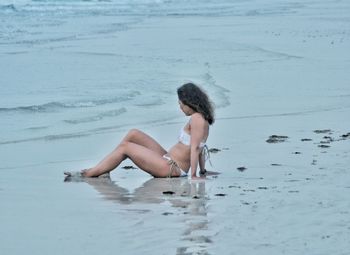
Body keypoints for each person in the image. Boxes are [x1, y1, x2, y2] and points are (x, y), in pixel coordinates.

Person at [64, 82, 215, 179]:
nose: (180, 108)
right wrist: (202, 171)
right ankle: (104, 169)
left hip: (171, 168)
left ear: (190, 102)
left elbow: (195, 148)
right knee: (133, 134)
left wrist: (194, 175)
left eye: (181, 104)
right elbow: (200, 147)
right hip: (168, 160)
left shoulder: (196, 119)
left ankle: (91, 173)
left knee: (126, 148)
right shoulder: (201, 119)